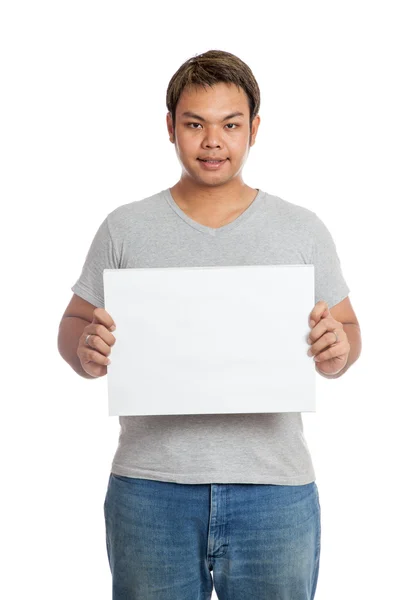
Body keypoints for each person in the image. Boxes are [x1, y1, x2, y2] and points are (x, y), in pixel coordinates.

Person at [58, 49, 362, 600]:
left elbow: (346, 330)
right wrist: (84, 348)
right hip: (150, 486)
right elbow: (76, 321)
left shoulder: (301, 229)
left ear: (255, 129)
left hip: (275, 487)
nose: (213, 140)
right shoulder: (125, 227)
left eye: (230, 124)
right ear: (170, 126)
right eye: (195, 124)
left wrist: (337, 349)